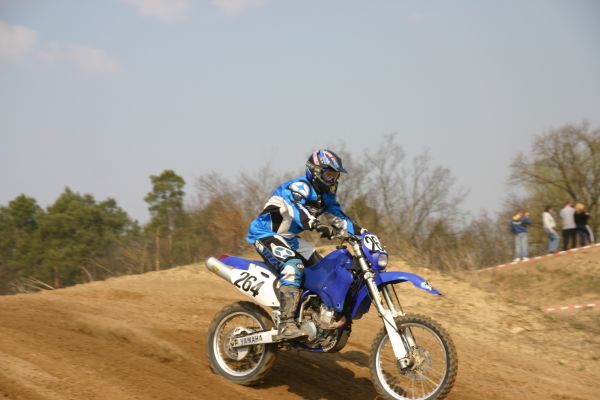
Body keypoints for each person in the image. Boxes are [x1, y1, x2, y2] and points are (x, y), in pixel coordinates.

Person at [246, 149, 363, 340]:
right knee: (293, 266)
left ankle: (314, 316)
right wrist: (316, 224)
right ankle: (286, 324)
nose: (333, 180)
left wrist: (364, 234)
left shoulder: (326, 196)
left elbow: (339, 219)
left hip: (289, 237)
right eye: (328, 174)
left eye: (335, 176)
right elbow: (297, 209)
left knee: (322, 270)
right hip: (265, 234)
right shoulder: (300, 187)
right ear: (315, 172)